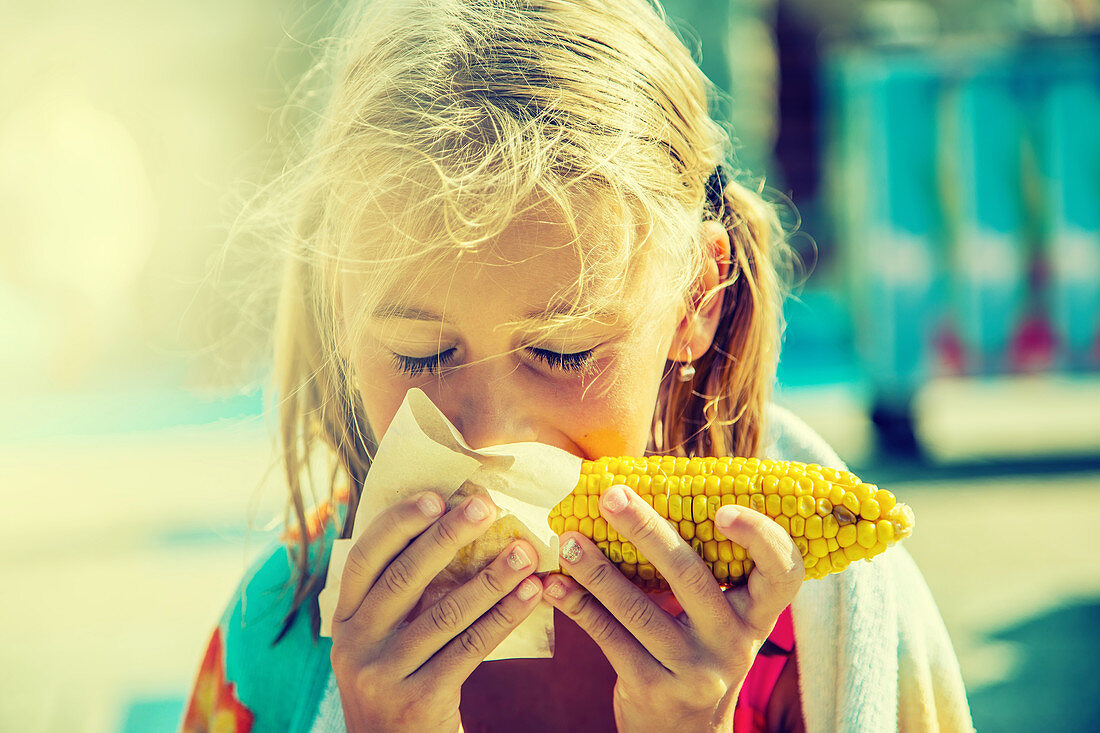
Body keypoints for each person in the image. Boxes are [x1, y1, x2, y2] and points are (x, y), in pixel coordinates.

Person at [182, 0, 974, 731]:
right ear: (340, 307)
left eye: (563, 351)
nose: (491, 435)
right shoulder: (273, 645)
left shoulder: (839, 632)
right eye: (420, 355)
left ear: (697, 297)